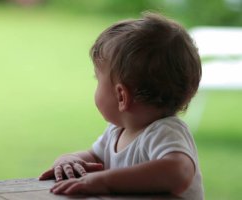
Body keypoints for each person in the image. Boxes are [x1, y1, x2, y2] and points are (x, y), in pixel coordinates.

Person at [39, 12, 204, 199]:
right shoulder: (116, 131)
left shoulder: (165, 131)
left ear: (121, 96)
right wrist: (70, 160)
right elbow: (94, 158)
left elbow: (178, 172)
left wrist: (104, 181)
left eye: (97, 79)